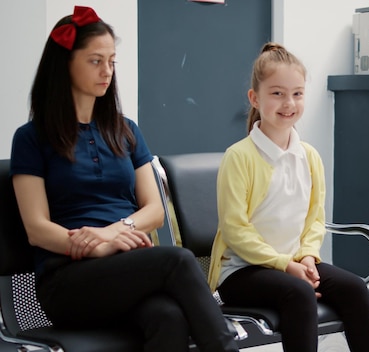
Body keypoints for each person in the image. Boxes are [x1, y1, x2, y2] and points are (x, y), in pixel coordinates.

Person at [10, 6, 239, 352]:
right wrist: (98, 245)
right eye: (95, 61)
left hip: (125, 269)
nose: (107, 71)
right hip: (68, 281)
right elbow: (36, 228)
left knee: (168, 317)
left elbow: (154, 211)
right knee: (177, 259)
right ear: (65, 64)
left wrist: (116, 232)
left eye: (112, 61)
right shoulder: (31, 138)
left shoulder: (126, 130)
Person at [207, 42, 369, 352]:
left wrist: (308, 258)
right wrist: (286, 265)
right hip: (243, 272)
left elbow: (315, 219)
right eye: (277, 93)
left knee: (354, 288)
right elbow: (235, 230)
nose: (289, 103)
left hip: (295, 264)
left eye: (297, 93)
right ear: (255, 98)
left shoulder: (309, 155)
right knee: (298, 293)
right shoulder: (239, 157)